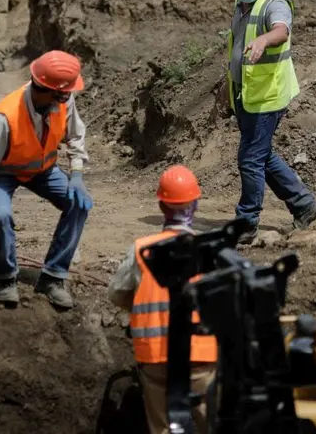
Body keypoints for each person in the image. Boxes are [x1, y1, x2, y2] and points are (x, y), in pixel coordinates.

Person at [0, 50, 93, 309]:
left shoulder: (63, 99)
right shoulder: (5, 116)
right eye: (62, 94)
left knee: (80, 204)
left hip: (44, 170)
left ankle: (52, 277)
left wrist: (76, 174)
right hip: (4, 172)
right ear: (44, 89)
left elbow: (75, 135)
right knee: (0, 215)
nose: (66, 98)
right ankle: (6, 279)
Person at [225, 0, 316, 244]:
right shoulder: (242, 5)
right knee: (262, 155)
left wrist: (264, 41)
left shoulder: (274, 3)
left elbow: (281, 30)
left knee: (249, 159)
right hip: (248, 94)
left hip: (268, 95)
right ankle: (304, 205)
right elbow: (236, 47)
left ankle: (247, 222)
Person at [107, 165, 216, 434]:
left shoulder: (141, 249)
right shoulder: (210, 251)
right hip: (199, 356)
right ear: (196, 205)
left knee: (165, 428)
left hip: (155, 356)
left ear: (161, 206)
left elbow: (117, 293)